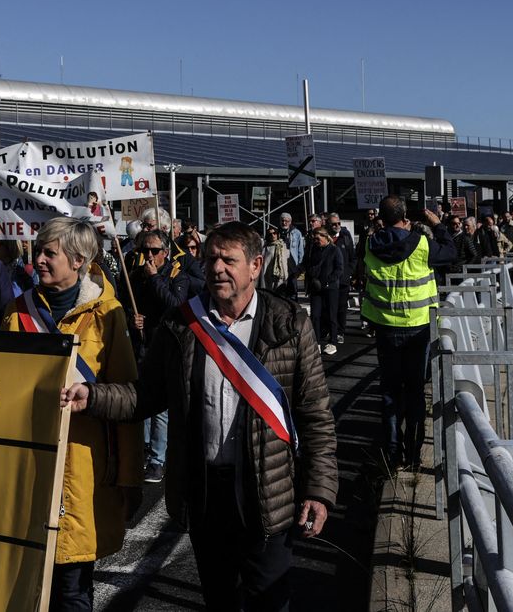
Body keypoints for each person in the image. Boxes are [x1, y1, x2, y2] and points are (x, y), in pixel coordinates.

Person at [61, 221, 338, 611]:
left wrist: (318, 491)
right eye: (210, 259)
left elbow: (316, 416)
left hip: (269, 492)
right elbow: (145, 396)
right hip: (206, 491)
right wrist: (92, 396)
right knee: (219, 599)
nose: (217, 269)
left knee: (270, 600)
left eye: (229, 260)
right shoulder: (181, 325)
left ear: (256, 265)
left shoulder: (289, 323)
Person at [3, 218, 142, 611]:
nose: (39, 260)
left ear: (79, 260)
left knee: (72, 586)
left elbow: (130, 398)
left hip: (84, 466)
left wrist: (130, 478)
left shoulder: (107, 314)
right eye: (39, 251)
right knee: (24, 581)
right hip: (28, 462)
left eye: (50, 253)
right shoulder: (17, 311)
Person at [360, 195, 455, 470]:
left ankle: (392, 454)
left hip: (385, 327)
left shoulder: (369, 245)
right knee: (414, 391)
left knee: (389, 391)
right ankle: (413, 455)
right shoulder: (421, 243)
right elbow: (450, 252)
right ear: (405, 218)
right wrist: (438, 225)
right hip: (417, 327)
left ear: (381, 217)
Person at [126, 228, 190, 483]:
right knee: (141, 398)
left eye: (154, 251)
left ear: (166, 252)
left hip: (166, 345)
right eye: (144, 250)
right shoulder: (136, 276)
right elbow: (126, 304)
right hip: (142, 344)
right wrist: (133, 319)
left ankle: (157, 459)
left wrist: (154, 278)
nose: (149, 256)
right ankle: (141, 449)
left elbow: (175, 304)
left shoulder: (177, 276)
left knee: (161, 408)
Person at [307, 226, 344, 355]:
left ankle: (333, 342)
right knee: (315, 315)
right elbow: (309, 265)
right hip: (315, 287)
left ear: (324, 236)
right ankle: (316, 342)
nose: (316, 241)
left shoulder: (335, 250)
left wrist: (327, 281)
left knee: (331, 315)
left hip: (330, 288)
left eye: (318, 238)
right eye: (314, 239)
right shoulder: (314, 250)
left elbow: (339, 269)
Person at [279, 213, 304, 297]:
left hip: (292, 263)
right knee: (281, 288)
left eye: (286, 221)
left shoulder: (296, 233)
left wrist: (300, 265)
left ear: (290, 222)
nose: (284, 223)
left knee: (292, 287)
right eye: (282, 221)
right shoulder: (276, 233)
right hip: (281, 263)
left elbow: (300, 250)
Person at [261, 226, 290, 292]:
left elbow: (285, 261)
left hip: (280, 274)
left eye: (274, 233)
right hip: (268, 274)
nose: (273, 235)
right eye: (270, 234)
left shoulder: (283, 245)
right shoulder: (266, 247)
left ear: (278, 234)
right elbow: (265, 262)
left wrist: (286, 275)